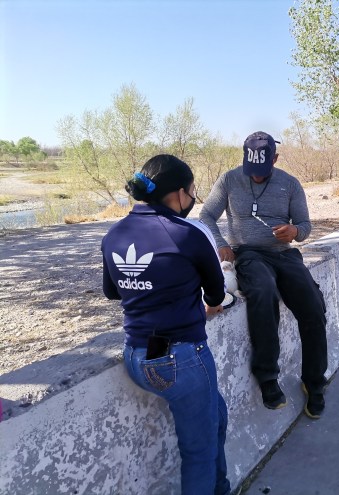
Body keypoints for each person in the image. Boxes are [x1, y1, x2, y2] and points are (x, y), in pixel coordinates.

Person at [101, 154, 231, 495]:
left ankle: (221, 487)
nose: (192, 198)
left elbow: (113, 291)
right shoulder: (187, 233)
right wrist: (205, 303)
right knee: (198, 453)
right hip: (180, 361)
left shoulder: (114, 234)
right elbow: (216, 294)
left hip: (135, 357)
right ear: (178, 194)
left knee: (216, 413)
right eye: (192, 191)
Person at [199, 131, 328, 419]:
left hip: (283, 254)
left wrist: (294, 231)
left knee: (313, 305)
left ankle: (315, 382)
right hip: (248, 254)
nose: (256, 176)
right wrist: (220, 243)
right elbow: (206, 215)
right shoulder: (229, 180)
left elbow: (305, 226)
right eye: (252, 170)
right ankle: (268, 377)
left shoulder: (290, 184)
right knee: (263, 290)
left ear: (275, 159)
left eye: (262, 169)